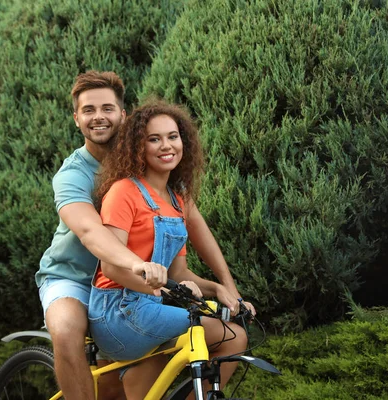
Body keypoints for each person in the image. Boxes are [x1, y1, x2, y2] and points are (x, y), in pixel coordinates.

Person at [36, 71, 253, 400]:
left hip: (133, 282)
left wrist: (228, 288)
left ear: (122, 115)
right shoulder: (73, 175)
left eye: (107, 108)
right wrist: (139, 266)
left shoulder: (147, 166)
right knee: (66, 332)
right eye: (89, 110)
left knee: (116, 385)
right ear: (76, 117)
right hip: (75, 276)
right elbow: (89, 231)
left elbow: (194, 225)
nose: (99, 117)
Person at [89, 100, 250, 400]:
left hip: (153, 309)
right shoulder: (124, 191)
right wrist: (163, 292)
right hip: (118, 311)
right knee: (232, 335)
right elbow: (110, 267)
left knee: (228, 321)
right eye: (154, 139)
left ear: (183, 141)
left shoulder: (177, 202)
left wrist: (217, 288)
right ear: (138, 146)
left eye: (173, 136)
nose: (166, 146)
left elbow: (178, 272)